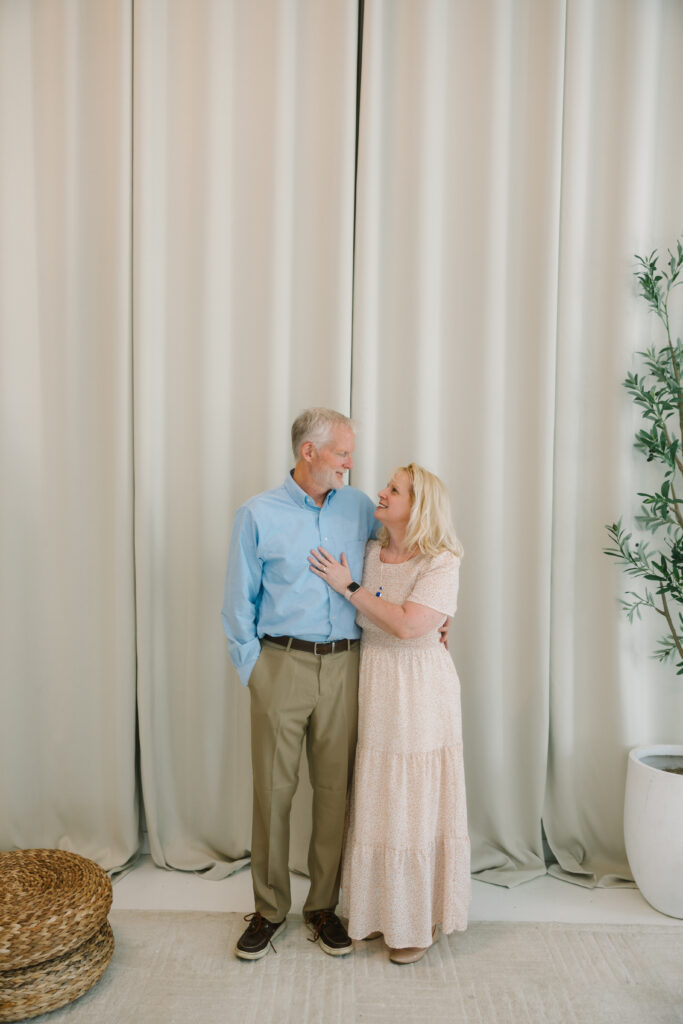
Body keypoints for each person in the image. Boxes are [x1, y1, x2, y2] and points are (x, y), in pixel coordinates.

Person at [221, 408, 376, 960]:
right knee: (273, 793)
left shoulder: (360, 508)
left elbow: (401, 552)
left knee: (335, 794)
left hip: (345, 666)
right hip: (280, 665)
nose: (350, 463)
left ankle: (323, 907)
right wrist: (254, 671)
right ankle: (268, 910)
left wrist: (434, 608)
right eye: (341, 452)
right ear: (308, 452)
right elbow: (238, 602)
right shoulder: (257, 514)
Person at [309, 462, 470, 964]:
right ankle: (382, 913)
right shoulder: (370, 552)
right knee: (379, 798)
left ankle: (415, 923)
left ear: (417, 505)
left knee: (414, 802)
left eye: (393, 489)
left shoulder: (442, 559)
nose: (381, 492)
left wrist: (349, 588)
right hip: (376, 681)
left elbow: (407, 626)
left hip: (420, 688)